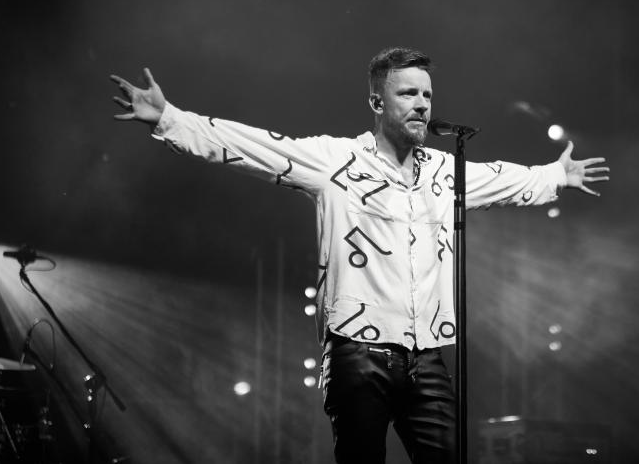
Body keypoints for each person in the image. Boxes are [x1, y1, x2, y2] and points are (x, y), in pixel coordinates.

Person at [110, 47, 609, 464]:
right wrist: (170, 119)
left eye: (427, 95)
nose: (422, 104)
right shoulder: (335, 161)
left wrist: (555, 176)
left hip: (426, 356)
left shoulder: (445, 170)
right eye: (408, 93)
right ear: (376, 100)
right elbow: (255, 146)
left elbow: (503, 178)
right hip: (358, 354)